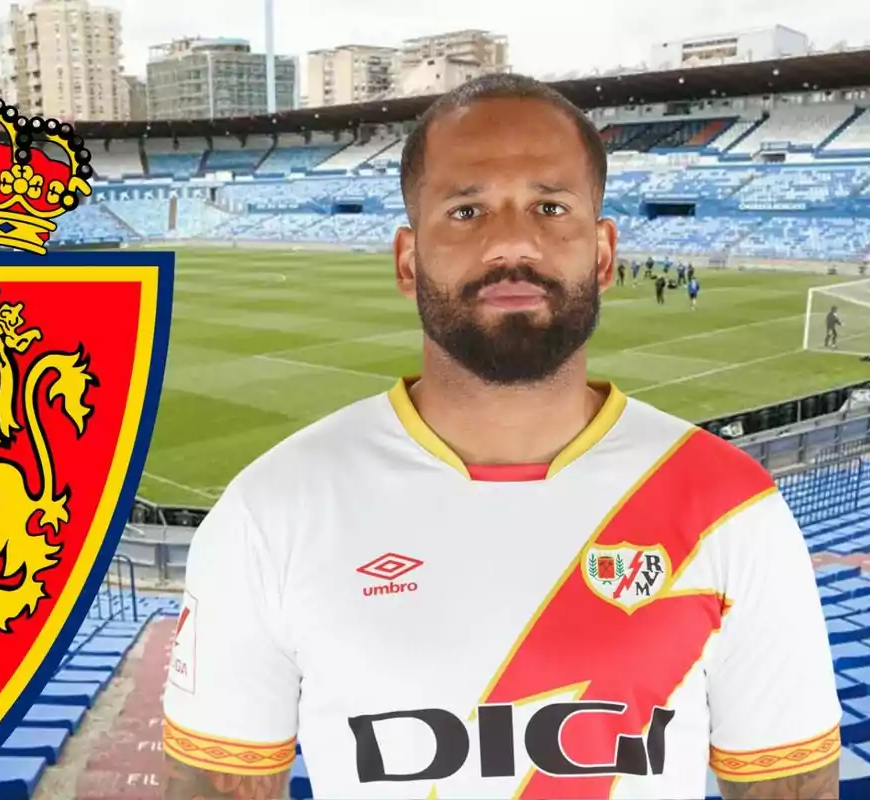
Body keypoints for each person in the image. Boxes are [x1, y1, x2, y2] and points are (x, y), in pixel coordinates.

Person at [162, 74, 839, 800]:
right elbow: (211, 785)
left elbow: (791, 787)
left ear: (604, 254)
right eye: (465, 210)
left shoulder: (733, 506)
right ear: (406, 258)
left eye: (551, 207)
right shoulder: (270, 510)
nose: (512, 241)